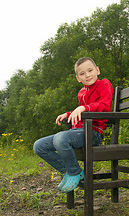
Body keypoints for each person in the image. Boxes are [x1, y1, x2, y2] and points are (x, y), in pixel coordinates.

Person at [33, 57, 113, 193]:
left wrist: (84, 108)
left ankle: (73, 172)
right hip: (78, 132)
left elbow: (104, 106)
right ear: (78, 78)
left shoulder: (104, 84)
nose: (87, 75)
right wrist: (69, 114)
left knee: (60, 138)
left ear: (97, 70)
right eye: (82, 73)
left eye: (90, 70)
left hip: (92, 134)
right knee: (39, 146)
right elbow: (81, 111)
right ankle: (72, 171)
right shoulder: (81, 93)